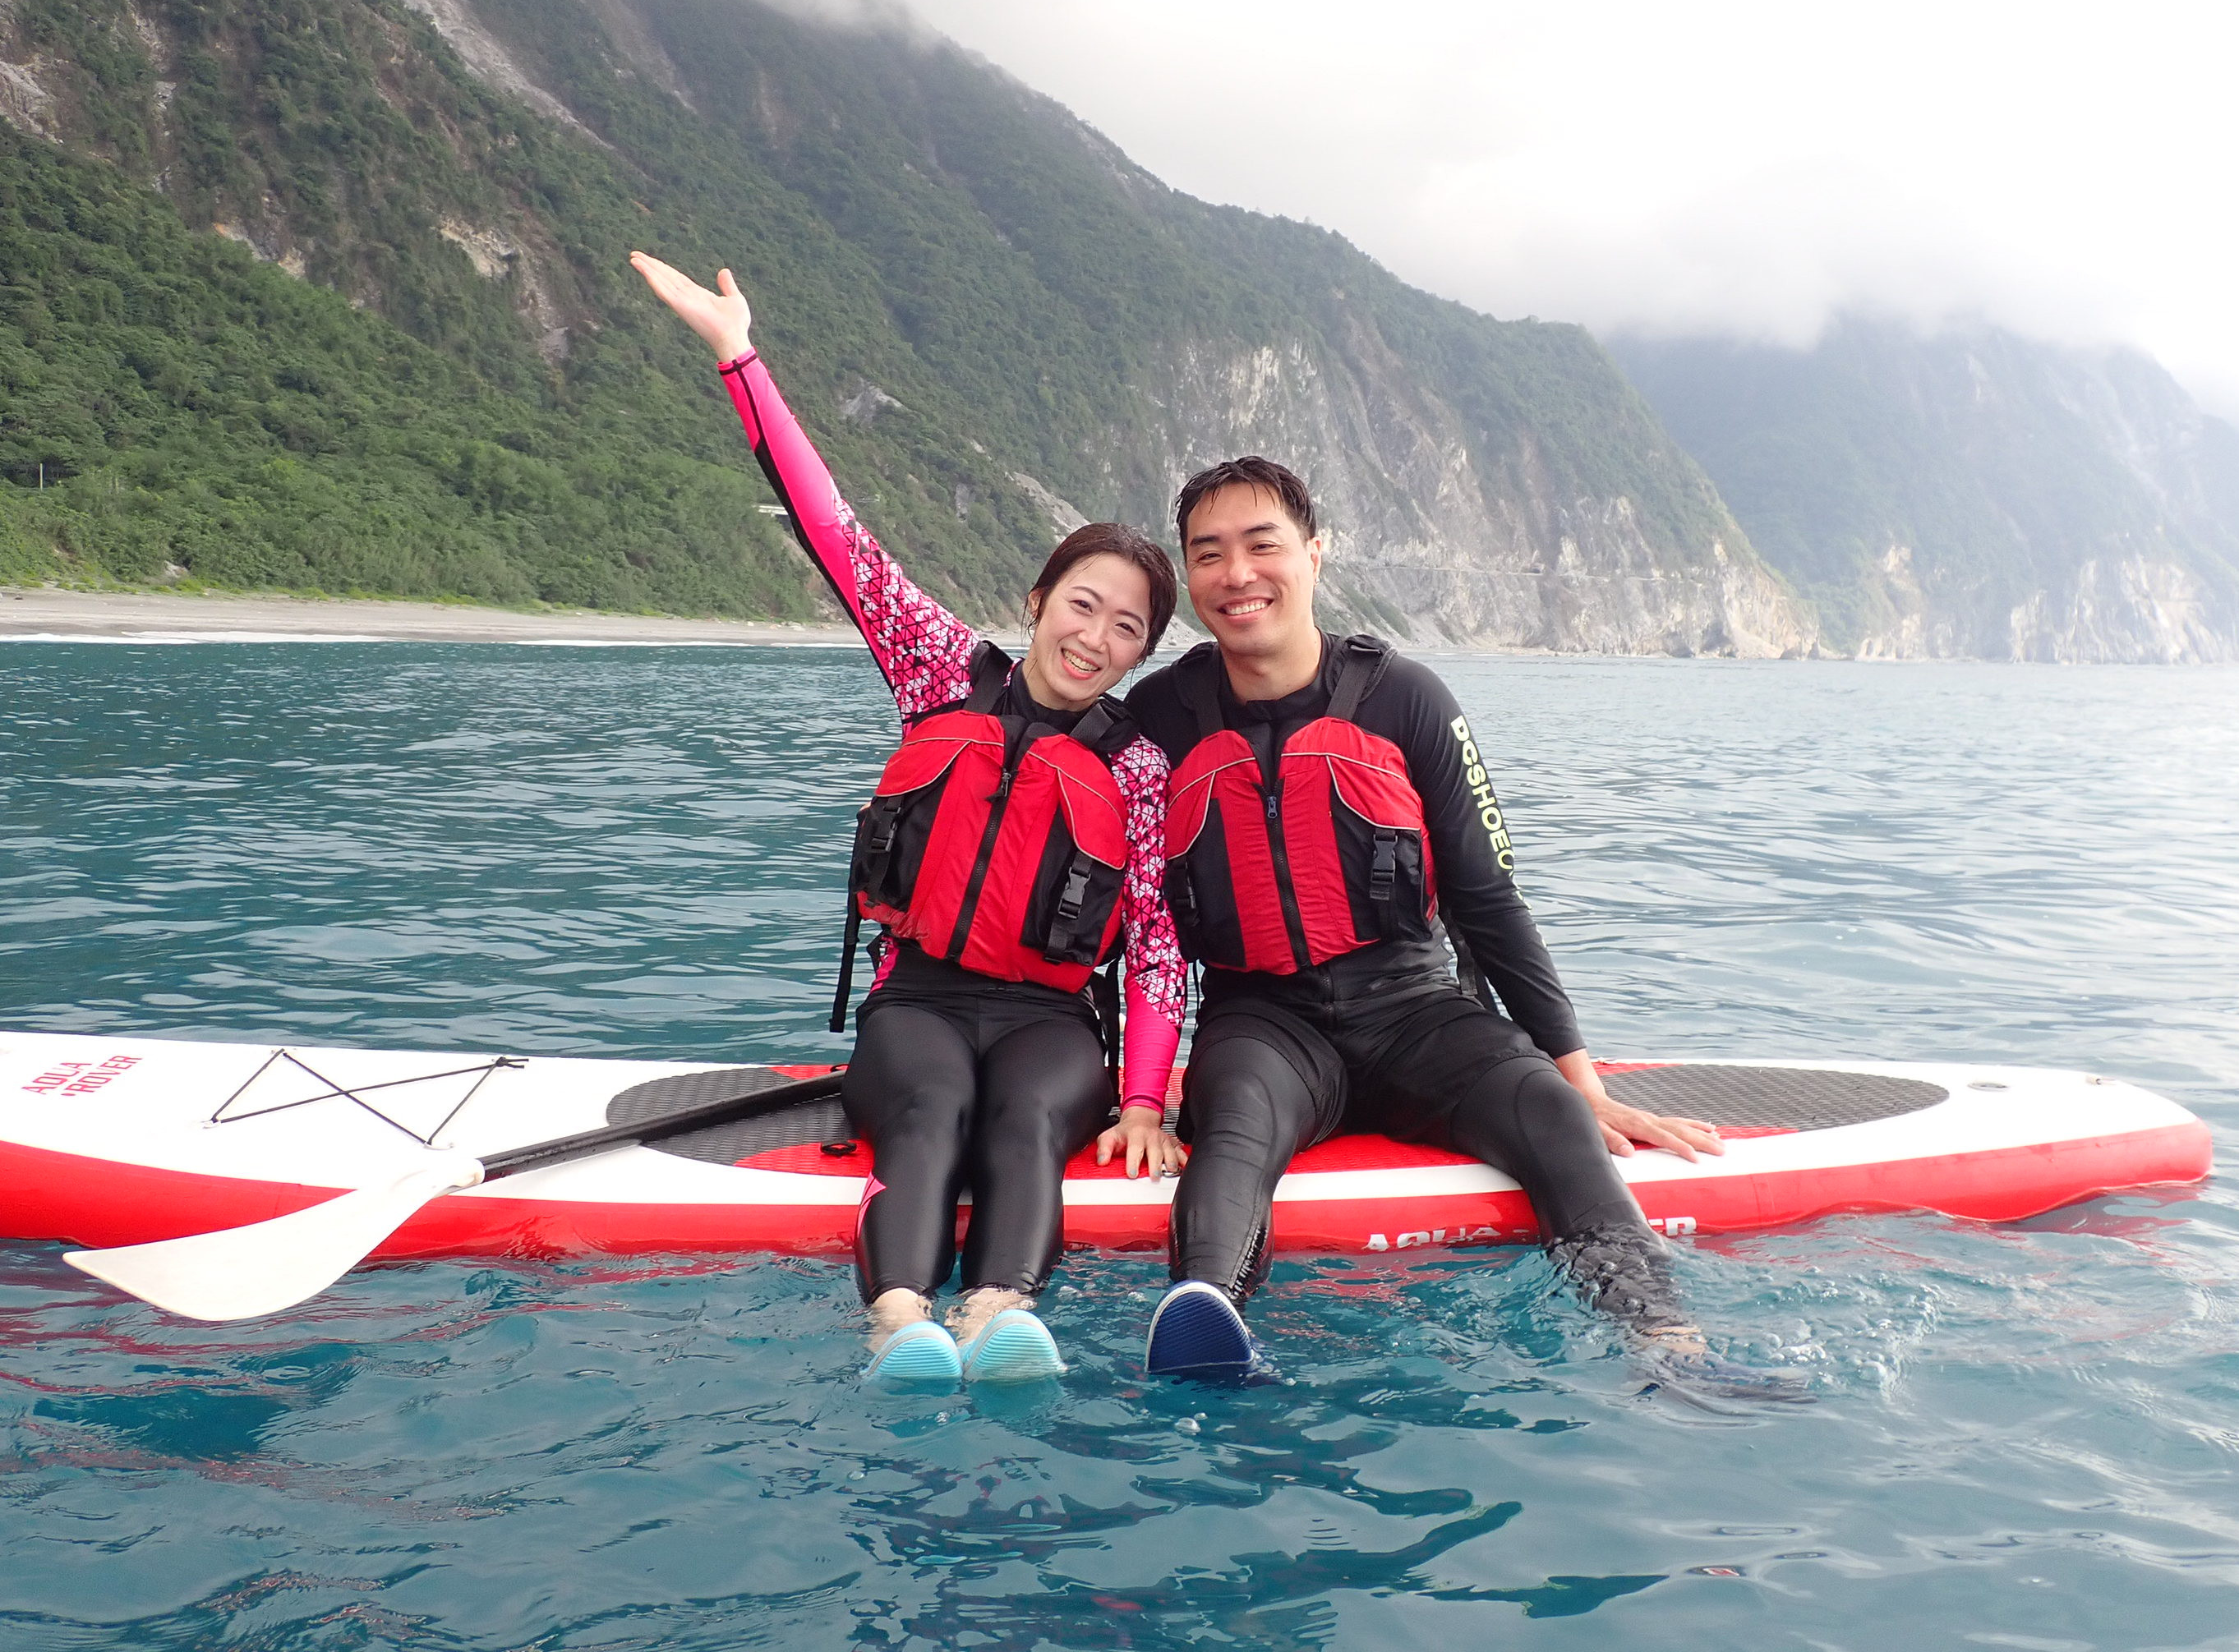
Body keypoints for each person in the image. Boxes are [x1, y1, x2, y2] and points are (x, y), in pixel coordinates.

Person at [632, 252, 1188, 1389]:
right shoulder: (941, 672)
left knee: (1024, 1121)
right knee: (932, 1110)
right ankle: (897, 1324)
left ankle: (997, 1313)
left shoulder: (1137, 767)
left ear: (1142, 652)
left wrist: (1142, 1098)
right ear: (1038, 601)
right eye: (1082, 605)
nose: (1094, 638)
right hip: (919, 998)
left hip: (1050, 1021)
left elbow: (1156, 944)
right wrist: (739, 357)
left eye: (1126, 628)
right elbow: (835, 532)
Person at [1131, 455, 1768, 1392]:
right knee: (1233, 1128)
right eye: (1209, 554)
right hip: (1262, 1022)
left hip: (1413, 1010)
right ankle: (1206, 1321)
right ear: (1190, 575)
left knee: (1550, 1113)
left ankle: (1669, 1343)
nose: (1238, 574)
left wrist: (1581, 1082)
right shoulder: (1160, 716)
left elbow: (1489, 898)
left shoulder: (1406, 698)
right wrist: (1130, 1094)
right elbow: (1120, 904)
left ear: (1314, 553)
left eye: (1262, 545)